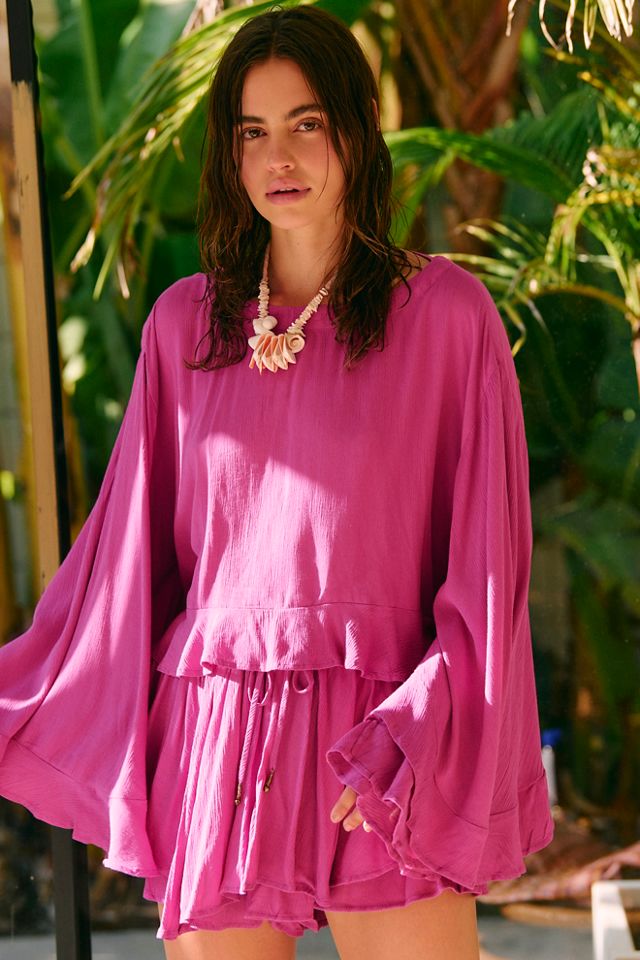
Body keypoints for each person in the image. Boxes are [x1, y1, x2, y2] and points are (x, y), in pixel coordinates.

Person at [0, 6, 554, 959]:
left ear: (357, 128)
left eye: (306, 122)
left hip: (379, 745)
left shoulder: (448, 319)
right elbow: (122, 566)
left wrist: (419, 730)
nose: (279, 157)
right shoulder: (185, 328)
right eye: (252, 131)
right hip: (223, 742)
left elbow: (489, 569)